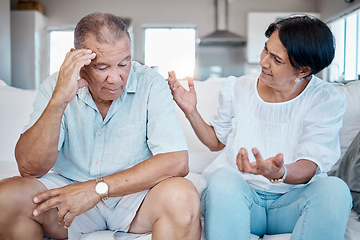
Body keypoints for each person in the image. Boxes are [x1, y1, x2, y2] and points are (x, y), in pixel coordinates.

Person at [0, 12, 201, 240]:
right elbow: (30, 168)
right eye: (102, 67)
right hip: (70, 193)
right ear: (79, 61)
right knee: (5, 198)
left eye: (124, 63)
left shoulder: (150, 83)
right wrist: (59, 101)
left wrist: (97, 188)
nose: (115, 78)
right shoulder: (54, 86)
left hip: (135, 197)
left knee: (183, 197)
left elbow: (177, 161)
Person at [168, 15, 352, 239]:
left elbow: (310, 165)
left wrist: (280, 172)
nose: (264, 62)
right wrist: (191, 111)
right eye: (266, 50)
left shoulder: (325, 99)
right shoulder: (240, 86)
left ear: (303, 71)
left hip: (290, 204)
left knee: (336, 190)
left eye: (276, 59)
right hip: (242, 199)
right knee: (223, 179)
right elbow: (216, 142)